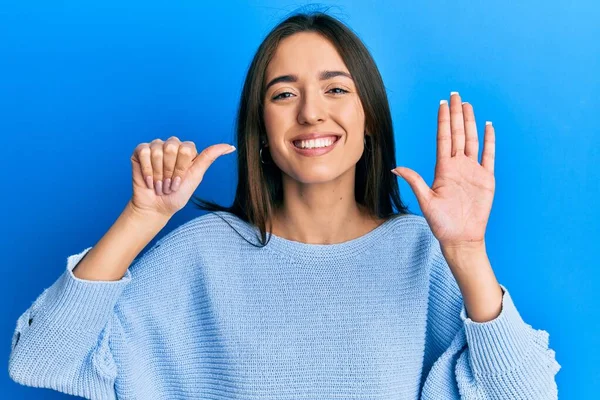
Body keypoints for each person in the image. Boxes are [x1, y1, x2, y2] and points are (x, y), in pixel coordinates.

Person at [8, 10, 561, 400]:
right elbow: (40, 359)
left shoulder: (420, 253)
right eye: (283, 94)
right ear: (262, 129)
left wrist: (466, 252)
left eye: (336, 89)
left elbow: (528, 394)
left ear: (368, 119)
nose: (311, 112)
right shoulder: (203, 254)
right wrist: (143, 218)